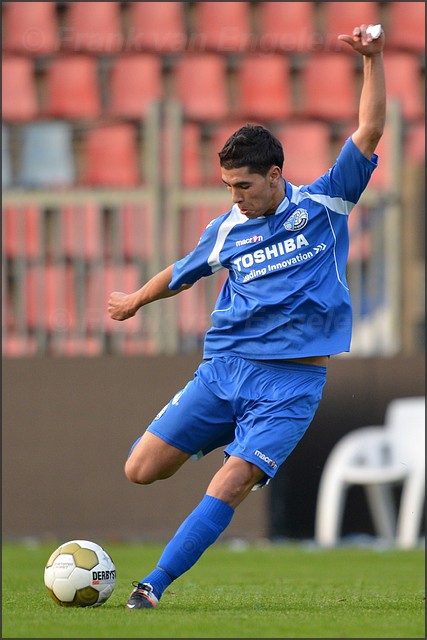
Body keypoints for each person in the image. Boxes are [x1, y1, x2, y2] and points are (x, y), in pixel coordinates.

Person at [108, 24, 386, 609]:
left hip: (290, 383)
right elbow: (182, 271)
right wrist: (136, 298)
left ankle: (151, 587)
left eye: (243, 186)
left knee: (231, 483)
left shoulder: (326, 203)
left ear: (276, 177)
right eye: (228, 185)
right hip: (224, 372)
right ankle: (225, 436)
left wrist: (373, 60)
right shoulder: (226, 229)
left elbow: (369, 129)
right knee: (141, 469)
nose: (235, 196)